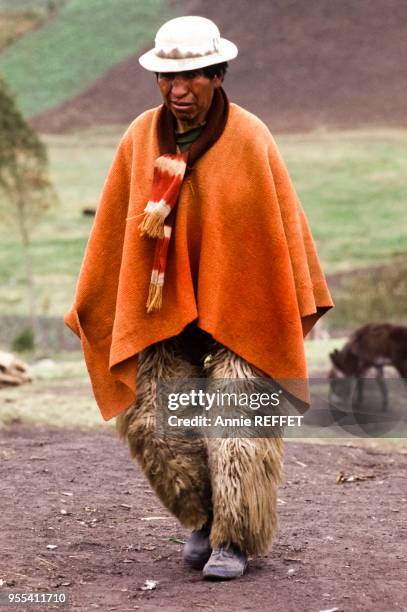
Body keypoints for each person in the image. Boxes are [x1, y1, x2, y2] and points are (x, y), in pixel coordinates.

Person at [64, 16, 333, 580]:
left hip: (240, 311)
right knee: (151, 418)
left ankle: (234, 539)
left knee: (237, 420)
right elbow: (117, 229)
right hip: (161, 312)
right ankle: (200, 519)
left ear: (216, 74)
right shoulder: (141, 137)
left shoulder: (249, 137)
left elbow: (272, 232)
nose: (177, 91)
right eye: (166, 79)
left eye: (189, 78)